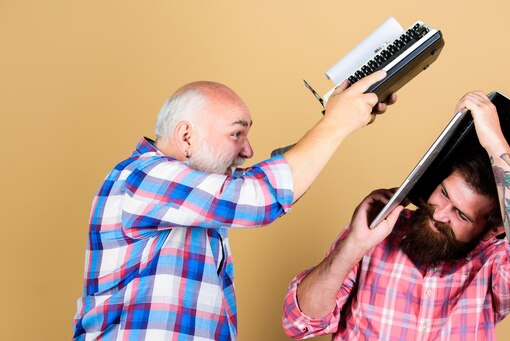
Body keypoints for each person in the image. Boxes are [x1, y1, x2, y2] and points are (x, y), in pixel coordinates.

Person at [72, 71, 397, 340]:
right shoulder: (142, 178)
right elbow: (260, 196)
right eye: (236, 134)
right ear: (186, 136)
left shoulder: (190, 196)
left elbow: (271, 185)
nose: (248, 150)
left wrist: (340, 117)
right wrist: (336, 125)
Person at [282, 91, 510, 340]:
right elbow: (299, 323)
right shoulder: (380, 230)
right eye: (444, 194)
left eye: (462, 215)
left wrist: (493, 139)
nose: (440, 214)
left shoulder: (495, 266)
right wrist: (354, 244)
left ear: (492, 230)